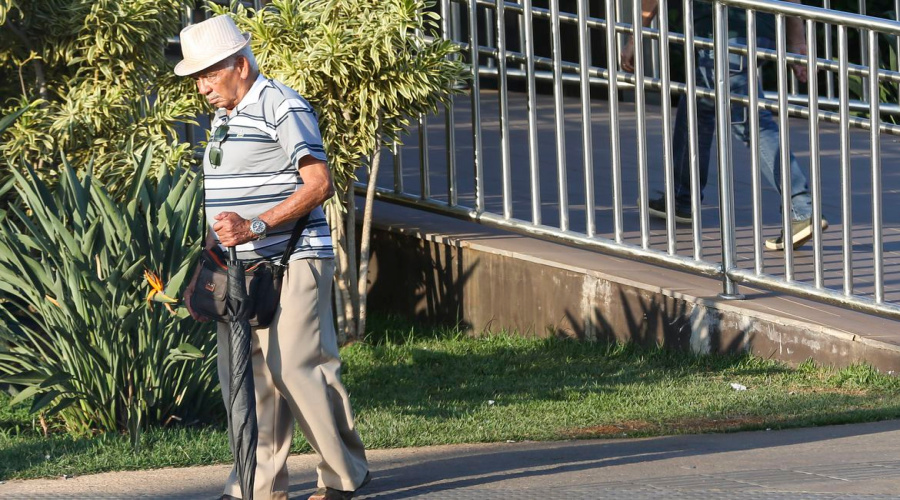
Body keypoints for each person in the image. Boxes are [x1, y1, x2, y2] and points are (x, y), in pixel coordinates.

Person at [175, 15, 370, 500]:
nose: (201, 88)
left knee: (297, 367)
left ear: (240, 64)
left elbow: (319, 183)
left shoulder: (282, 104)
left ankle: (345, 477)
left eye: (208, 74)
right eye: (197, 77)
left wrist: (256, 225)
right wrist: (218, 246)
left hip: (294, 255)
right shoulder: (225, 115)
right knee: (244, 377)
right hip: (239, 266)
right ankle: (256, 486)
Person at [621, 0, 828, 250]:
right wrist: (796, 40)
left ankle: (801, 209)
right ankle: (682, 199)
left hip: (724, 30)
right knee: (697, 109)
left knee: (751, 123)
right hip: (756, 27)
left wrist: (635, 38)